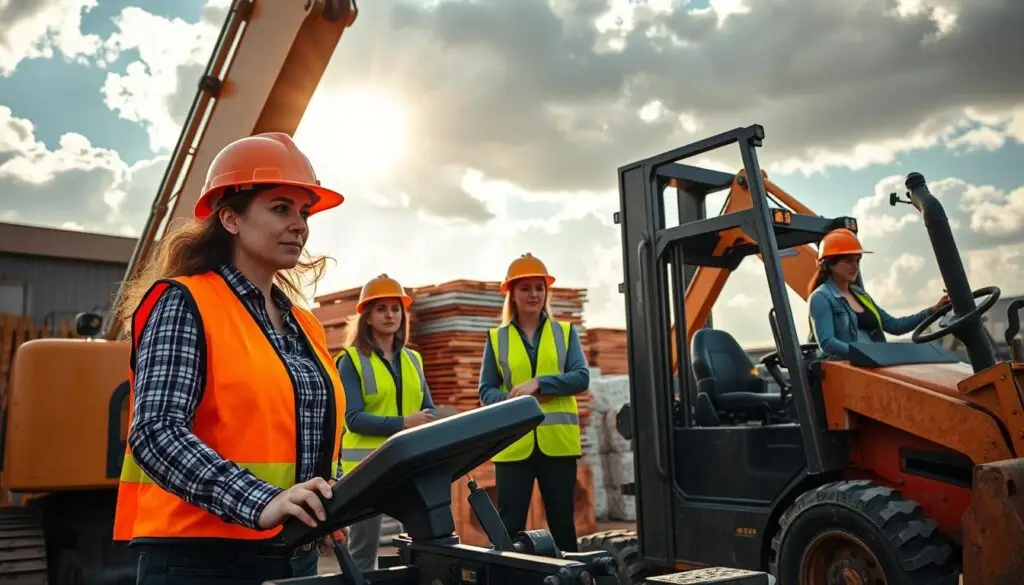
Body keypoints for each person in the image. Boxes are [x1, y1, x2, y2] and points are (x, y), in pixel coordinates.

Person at [112, 132, 349, 585]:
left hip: (289, 552)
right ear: (230, 219)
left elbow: (300, 435)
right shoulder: (184, 301)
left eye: (304, 213)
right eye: (281, 208)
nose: (300, 224)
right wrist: (260, 501)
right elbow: (155, 431)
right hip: (201, 558)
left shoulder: (305, 324)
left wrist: (325, 498)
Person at [476, 253, 590, 553]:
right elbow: (486, 392)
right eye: (525, 288)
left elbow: (581, 377)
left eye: (539, 287)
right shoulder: (496, 338)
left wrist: (540, 383)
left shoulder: (565, 333)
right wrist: (516, 399)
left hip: (558, 444)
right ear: (512, 294)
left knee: (562, 525)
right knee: (509, 526)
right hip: (513, 445)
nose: (534, 294)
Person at [336, 273, 436, 571]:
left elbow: (427, 410)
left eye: (395, 308)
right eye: (381, 309)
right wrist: (404, 422)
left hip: (408, 465)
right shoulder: (350, 360)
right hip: (366, 469)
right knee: (363, 551)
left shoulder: (414, 360)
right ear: (367, 317)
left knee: (425, 540)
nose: (390, 315)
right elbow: (353, 419)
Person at [808, 229, 949, 360]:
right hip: (848, 370)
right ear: (830, 264)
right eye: (848, 261)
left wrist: (933, 310)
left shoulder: (860, 295)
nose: (856, 267)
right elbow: (827, 343)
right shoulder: (821, 298)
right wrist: (865, 355)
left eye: (857, 260)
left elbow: (894, 326)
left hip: (874, 364)